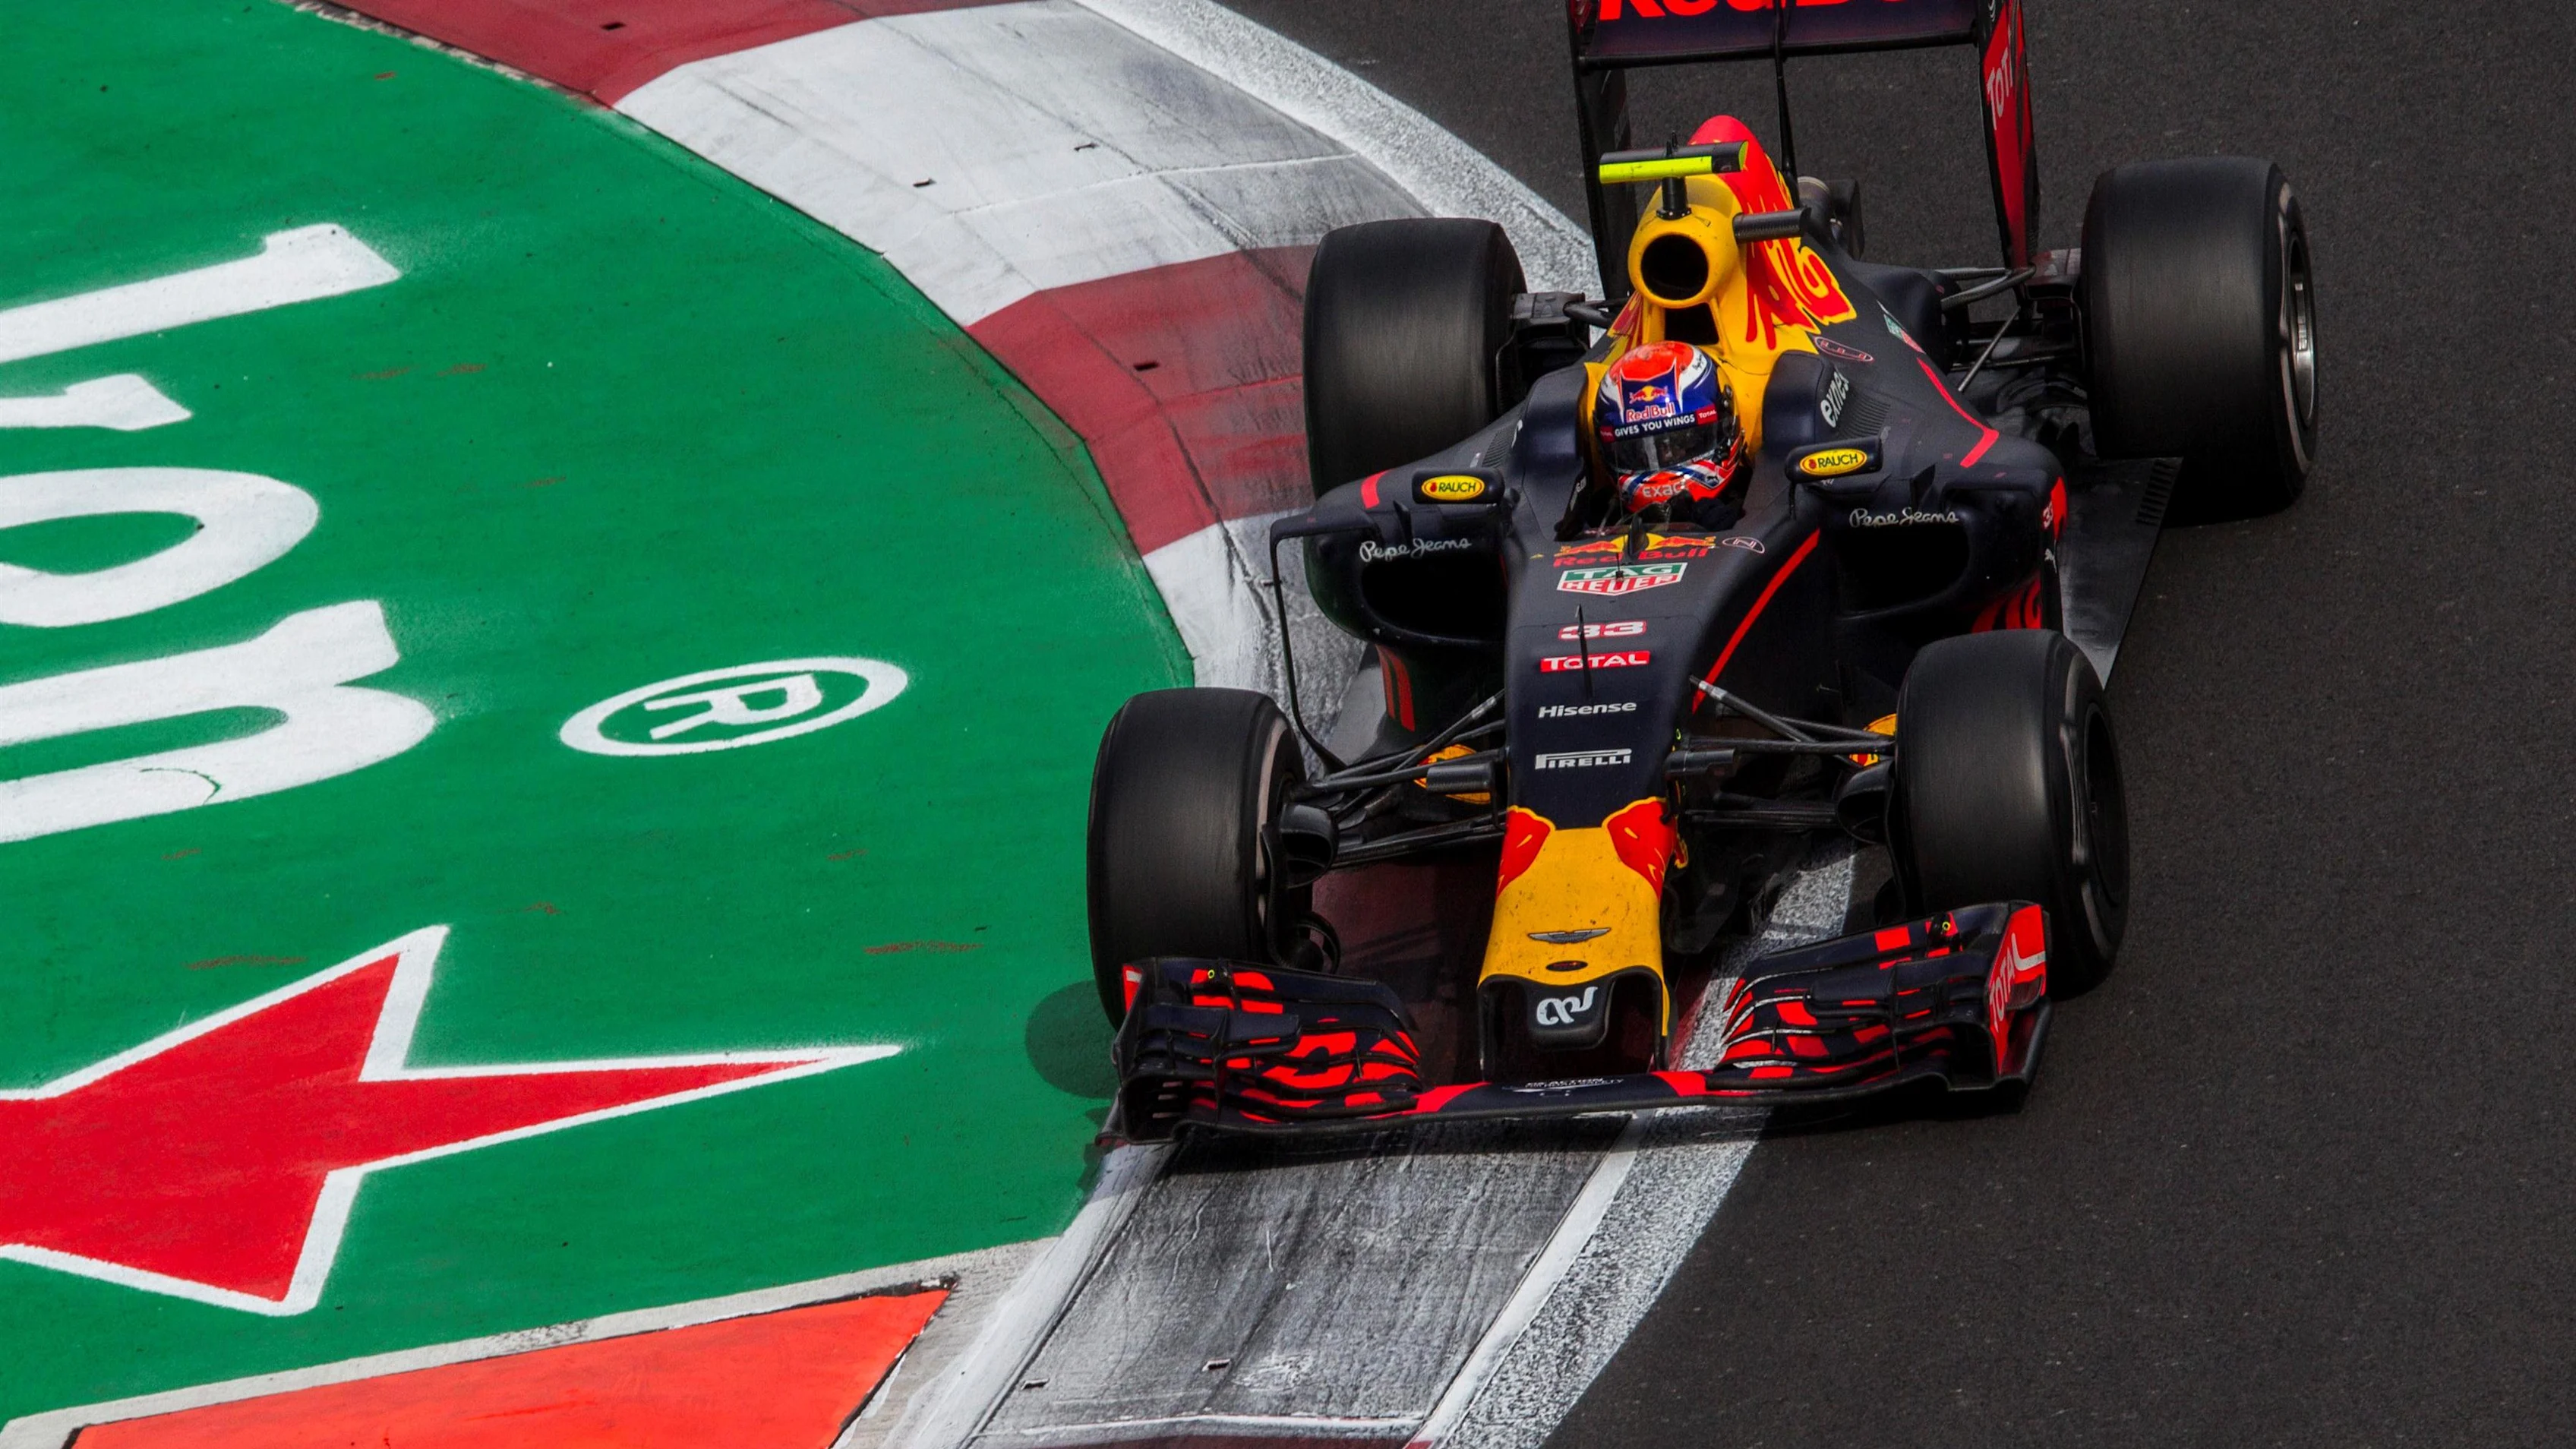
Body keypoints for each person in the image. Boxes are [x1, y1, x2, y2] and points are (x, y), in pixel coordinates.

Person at [1593, 339, 1747, 529]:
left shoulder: (1756, 497)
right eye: (1639, 452)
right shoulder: (1600, 514)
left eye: (1682, 444)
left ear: (1726, 429)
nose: (1664, 457)